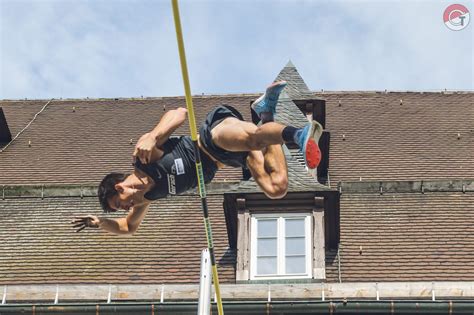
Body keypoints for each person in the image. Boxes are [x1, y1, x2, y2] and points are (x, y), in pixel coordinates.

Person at [71, 81, 322, 234]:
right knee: (276, 188)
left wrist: (152, 135)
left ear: (119, 186)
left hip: (212, 137)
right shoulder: (146, 198)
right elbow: (128, 227)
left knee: (255, 138)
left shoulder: (144, 159)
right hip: (226, 160)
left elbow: (179, 113)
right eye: (121, 209)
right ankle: (266, 112)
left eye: (120, 203)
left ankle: (298, 135)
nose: (126, 208)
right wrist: (101, 222)